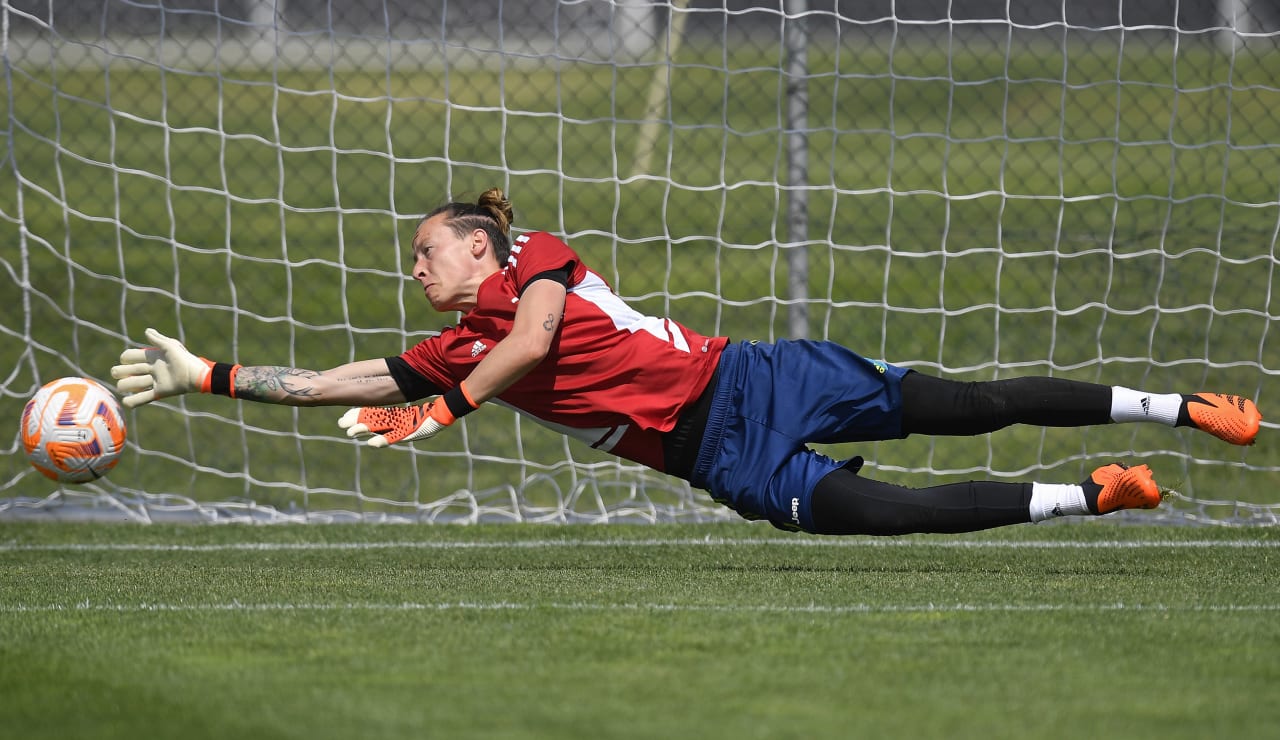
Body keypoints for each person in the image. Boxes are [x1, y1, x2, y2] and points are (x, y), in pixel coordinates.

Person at [110, 188, 1263, 534]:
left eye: (427, 250)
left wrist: (452, 403)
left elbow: (533, 343)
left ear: (480, 244)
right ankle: (1093, 493)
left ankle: (1177, 405)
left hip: (753, 378)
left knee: (963, 403)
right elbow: (348, 382)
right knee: (876, 516)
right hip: (710, 453)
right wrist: (213, 375)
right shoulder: (452, 343)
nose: (417, 268)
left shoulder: (537, 270)